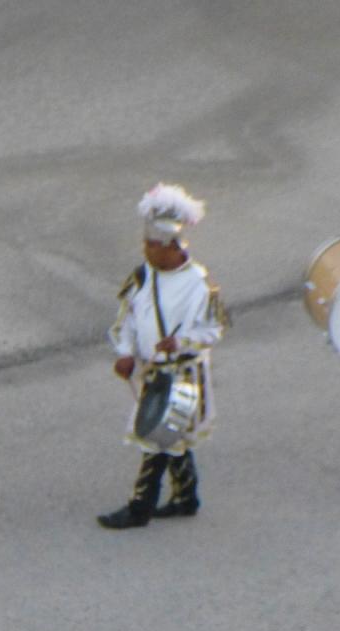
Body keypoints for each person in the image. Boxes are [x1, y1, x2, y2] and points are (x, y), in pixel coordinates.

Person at [97, 183, 226, 530]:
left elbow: (213, 330)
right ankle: (186, 497)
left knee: (156, 440)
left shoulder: (200, 284)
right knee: (172, 438)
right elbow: (125, 322)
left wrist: (182, 341)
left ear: (171, 246)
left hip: (185, 375)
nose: (146, 250)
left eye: (152, 245)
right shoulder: (141, 277)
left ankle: (139, 507)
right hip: (152, 372)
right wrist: (125, 353)